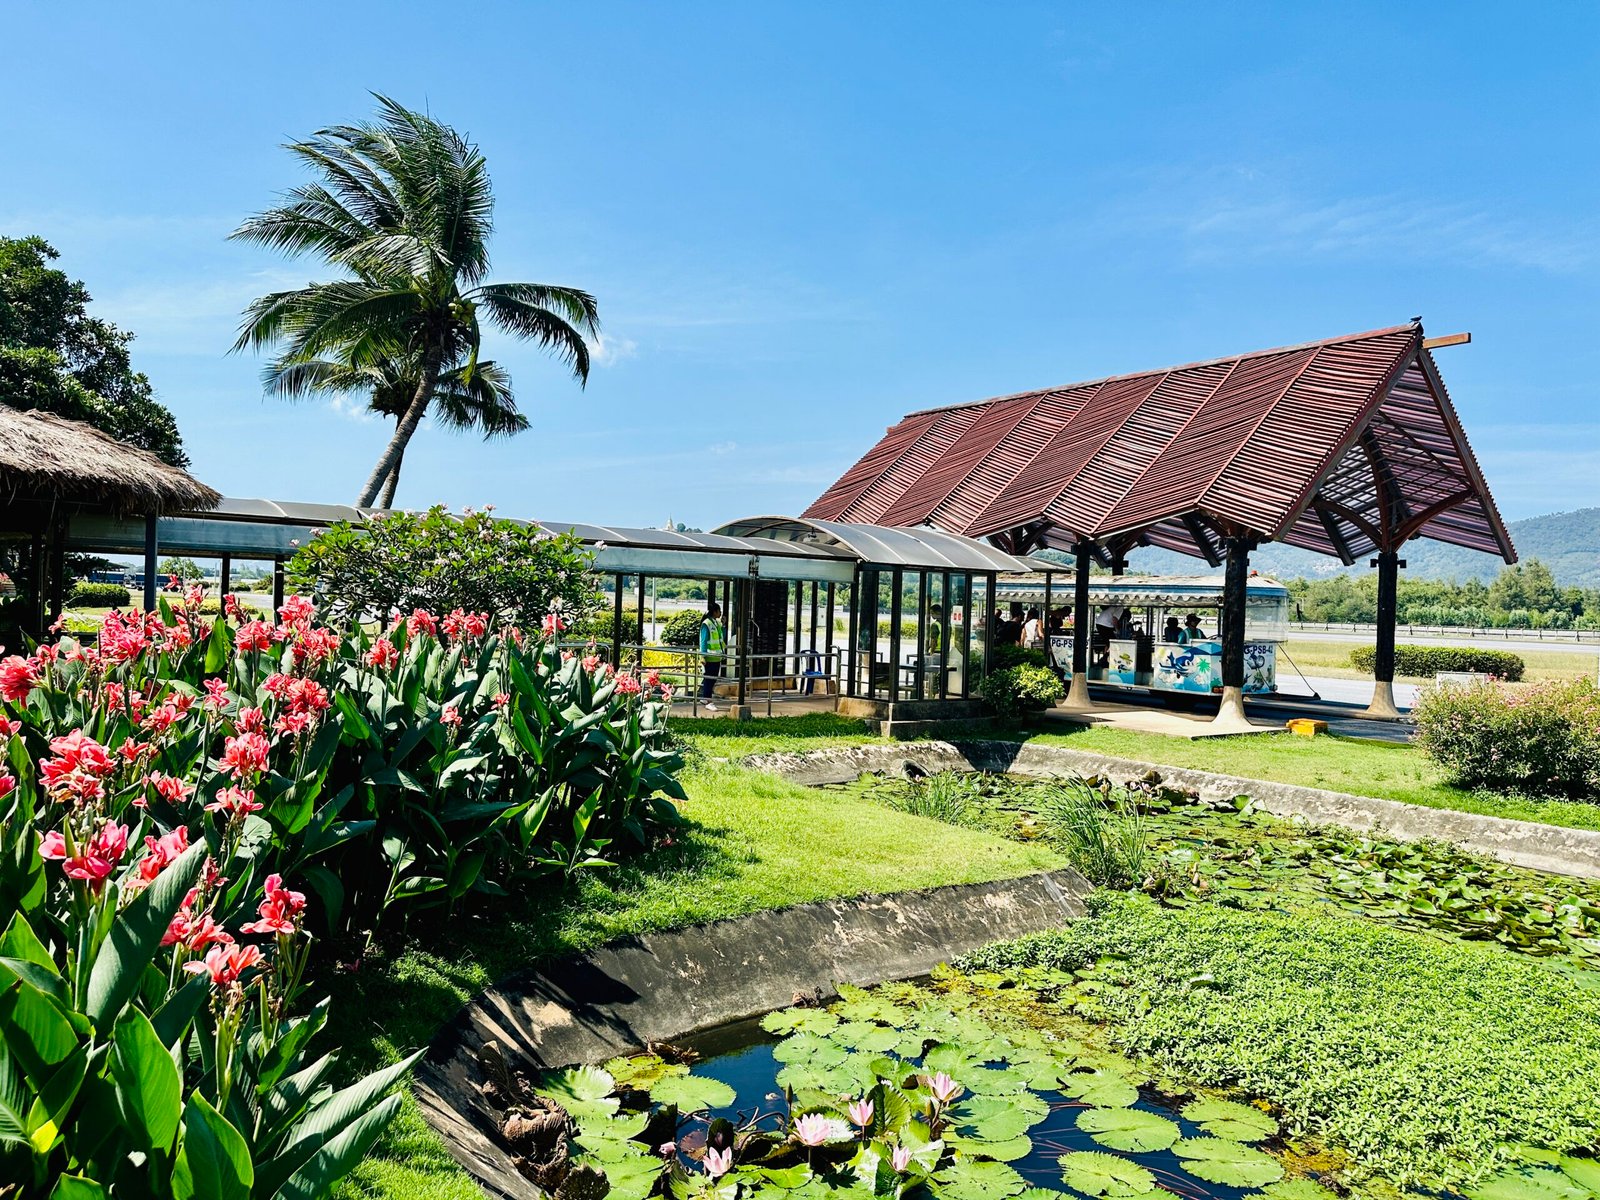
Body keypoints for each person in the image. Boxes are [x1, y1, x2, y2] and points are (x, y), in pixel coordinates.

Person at [698, 602, 726, 710]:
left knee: (712, 678)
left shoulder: (715, 623)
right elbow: (703, 641)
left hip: (716, 656)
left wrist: (723, 624)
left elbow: (720, 637)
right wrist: (703, 656)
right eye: (719, 611)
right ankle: (708, 701)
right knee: (709, 678)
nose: (720, 613)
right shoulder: (707, 624)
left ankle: (706, 698)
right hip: (710, 657)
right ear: (714, 612)